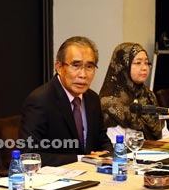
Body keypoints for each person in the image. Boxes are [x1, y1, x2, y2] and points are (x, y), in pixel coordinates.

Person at [19, 36, 113, 167]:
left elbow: (102, 139)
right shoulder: (40, 100)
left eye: (89, 67)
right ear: (59, 67)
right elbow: (29, 154)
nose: (83, 75)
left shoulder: (92, 99)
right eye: (76, 66)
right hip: (55, 180)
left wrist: (106, 154)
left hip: (92, 175)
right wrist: (82, 159)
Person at [99, 42, 169, 142]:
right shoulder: (111, 103)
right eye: (138, 63)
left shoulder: (148, 96)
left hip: (159, 153)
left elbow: (164, 134)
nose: (144, 68)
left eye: (146, 63)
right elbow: (117, 145)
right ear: (123, 66)